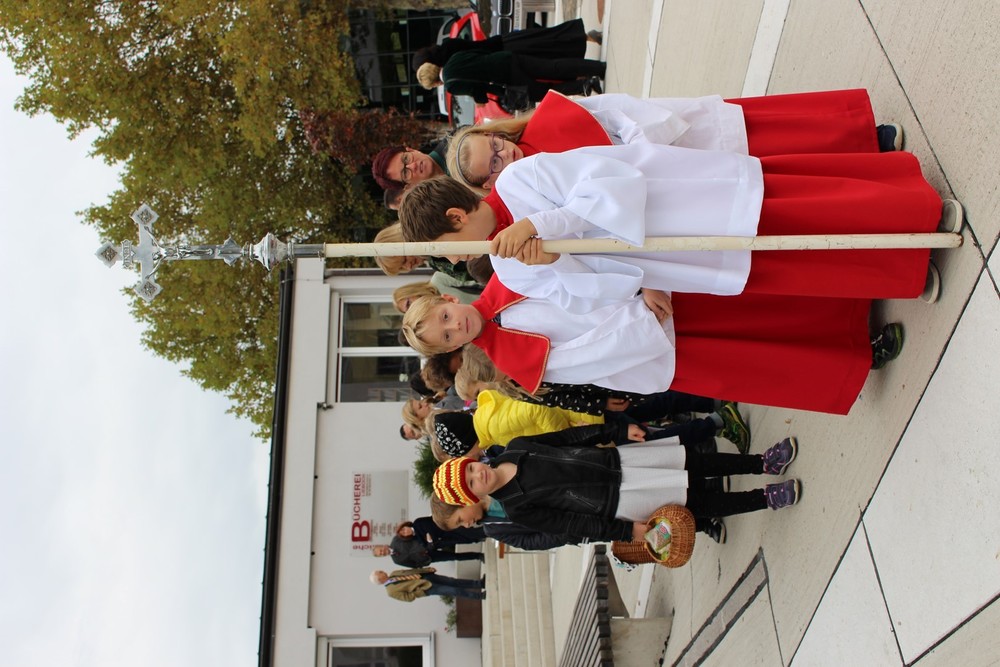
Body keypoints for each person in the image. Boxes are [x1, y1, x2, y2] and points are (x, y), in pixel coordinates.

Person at [400, 146, 945, 301]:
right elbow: (595, 298)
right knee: (791, 266)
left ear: (457, 216)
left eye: (449, 248)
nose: (456, 262)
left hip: (686, 206)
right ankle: (903, 268)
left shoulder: (522, 179)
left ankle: (913, 211)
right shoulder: (511, 271)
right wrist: (558, 260)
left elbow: (610, 180)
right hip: (676, 258)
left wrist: (543, 222)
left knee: (803, 213)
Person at [400, 274, 903, 415]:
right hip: (656, 340)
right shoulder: (515, 361)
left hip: (657, 292)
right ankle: (856, 356)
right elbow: (592, 356)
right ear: (451, 351)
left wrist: (641, 279)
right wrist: (643, 317)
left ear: (448, 298)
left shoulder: (509, 273)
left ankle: (857, 295)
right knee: (762, 355)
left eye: (445, 317)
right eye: (447, 336)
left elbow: (584, 262)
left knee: (761, 303)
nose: (455, 326)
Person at [446, 89, 901, 194]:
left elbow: (615, 108)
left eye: (495, 145)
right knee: (780, 178)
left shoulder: (548, 116)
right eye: (493, 165)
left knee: (776, 139)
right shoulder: (535, 191)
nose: (503, 155)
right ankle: (871, 174)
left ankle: (863, 138)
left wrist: (642, 147)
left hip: (674, 139)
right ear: (489, 183)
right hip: (671, 183)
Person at [431, 423, 800, 543]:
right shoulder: (517, 507)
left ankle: (762, 463)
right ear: (472, 496)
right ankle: (766, 498)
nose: (477, 476)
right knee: (695, 503)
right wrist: (625, 532)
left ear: (473, 461)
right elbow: (572, 524)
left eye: (470, 469)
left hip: (618, 461)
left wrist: (616, 431)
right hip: (619, 501)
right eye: (471, 484)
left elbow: (569, 437)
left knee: (695, 461)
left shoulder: (516, 447)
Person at [417, 50, 605, 108]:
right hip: (504, 59)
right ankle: (597, 68)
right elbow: (478, 54)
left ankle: (585, 85)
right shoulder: (454, 57)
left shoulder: (451, 85)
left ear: (434, 83)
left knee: (545, 92)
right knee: (552, 66)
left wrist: (479, 102)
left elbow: (478, 89)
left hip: (506, 78)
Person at [377, 520, 484, 567]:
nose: (382, 552)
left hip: (430, 543)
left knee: (455, 540)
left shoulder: (396, 539)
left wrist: (427, 543)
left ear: (383, 546)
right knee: (453, 556)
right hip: (430, 557)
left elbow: (413, 536)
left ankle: (476, 538)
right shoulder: (396, 560)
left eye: (381, 550)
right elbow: (413, 565)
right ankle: (477, 556)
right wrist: (424, 563)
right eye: (381, 554)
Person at [370, 567, 485, 602]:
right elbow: (407, 598)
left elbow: (412, 571)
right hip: (426, 588)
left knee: (452, 581)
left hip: (426, 576)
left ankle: (479, 584)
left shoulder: (394, 573)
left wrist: (427, 570)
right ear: (380, 579)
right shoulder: (391, 591)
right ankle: (478, 596)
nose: (382, 571)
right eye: (380, 572)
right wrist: (420, 591)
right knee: (453, 590)